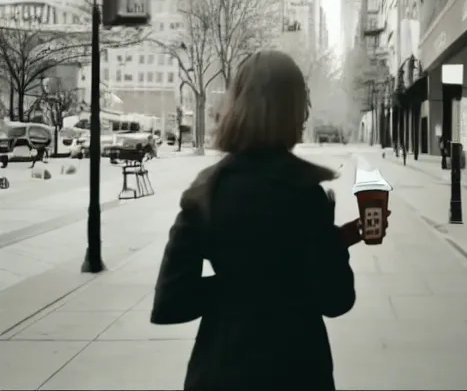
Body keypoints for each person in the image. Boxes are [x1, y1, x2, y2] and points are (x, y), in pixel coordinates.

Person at [151, 50, 389, 391]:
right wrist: (324, 250)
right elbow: (336, 299)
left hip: (220, 369)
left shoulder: (206, 190)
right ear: (292, 111)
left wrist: (238, 283)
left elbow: (171, 301)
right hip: (297, 369)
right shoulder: (305, 194)